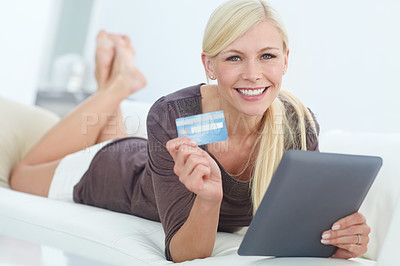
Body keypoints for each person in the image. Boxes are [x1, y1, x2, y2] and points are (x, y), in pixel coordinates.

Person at [10, 0, 370, 262]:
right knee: (22, 175)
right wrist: (208, 197)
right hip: (117, 173)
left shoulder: (297, 128)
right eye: (233, 57)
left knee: (127, 140)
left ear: (286, 60)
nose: (252, 74)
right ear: (209, 65)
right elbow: (186, 255)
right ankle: (115, 86)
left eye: (267, 56)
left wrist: (340, 238)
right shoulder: (172, 115)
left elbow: (305, 230)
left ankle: (115, 80)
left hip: (154, 158)